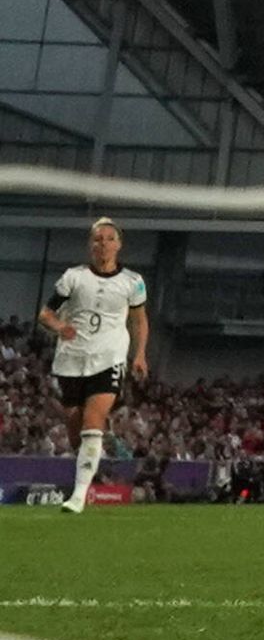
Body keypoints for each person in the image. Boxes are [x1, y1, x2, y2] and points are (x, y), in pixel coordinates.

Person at [40, 219, 148, 514]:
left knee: (92, 420)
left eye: (109, 239)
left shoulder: (132, 281)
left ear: (118, 244)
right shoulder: (73, 278)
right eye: (97, 239)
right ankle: (96, 449)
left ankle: (78, 496)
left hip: (109, 357)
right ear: (91, 245)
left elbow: (139, 320)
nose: (103, 244)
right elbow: (45, 314)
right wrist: (60, 326)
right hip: (72, 359)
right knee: (75, 428)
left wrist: (139, 354)